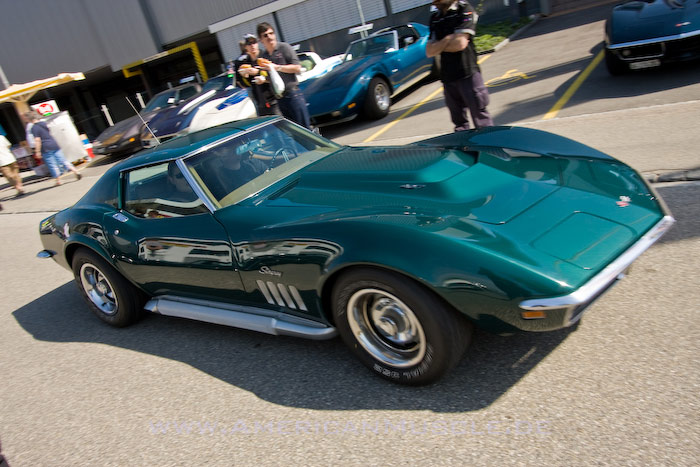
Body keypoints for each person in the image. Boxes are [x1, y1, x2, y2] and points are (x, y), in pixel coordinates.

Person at [426, 0, 493, 131]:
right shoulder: (435, 18)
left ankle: (488, 144)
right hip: (447, 78)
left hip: (468, 74)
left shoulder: (464, 10)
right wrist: (448, 39)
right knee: (459, 125)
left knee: (481, 120)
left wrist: (439, 45)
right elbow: (429, 51)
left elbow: (460, 44)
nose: (434, 2)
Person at [256, 22, 312, 129]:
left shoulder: (284, 48)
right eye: (265, 35)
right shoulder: (264, 57)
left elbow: (297, 67)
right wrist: (263, 79)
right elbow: (271, 78)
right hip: (280, 99)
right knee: (293, 132)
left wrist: (277, 67)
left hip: (293, 95)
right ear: (261, 40)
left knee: (304, 129)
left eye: (271, 33)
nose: (269, 37)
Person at [25, 111, 82, 186]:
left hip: (45, 147)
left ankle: (58, 180)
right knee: (63, 160)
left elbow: (37, 140)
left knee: (52, 164)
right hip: (54, 143)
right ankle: (75, 171)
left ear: (29, 118)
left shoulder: (34, 128)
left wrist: (37, 151)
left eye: (26, 118)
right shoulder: (44, 123)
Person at [235, 34, 281, 116]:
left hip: (274, 100)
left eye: (254, 42)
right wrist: (244, 76)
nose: (252, 46)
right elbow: (245, 85)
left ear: (257, 43)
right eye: (249, 44)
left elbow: (276, 76)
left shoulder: (265, 57)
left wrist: (258, 72)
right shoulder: (245, 62)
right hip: (259, 103)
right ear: (246, 47)